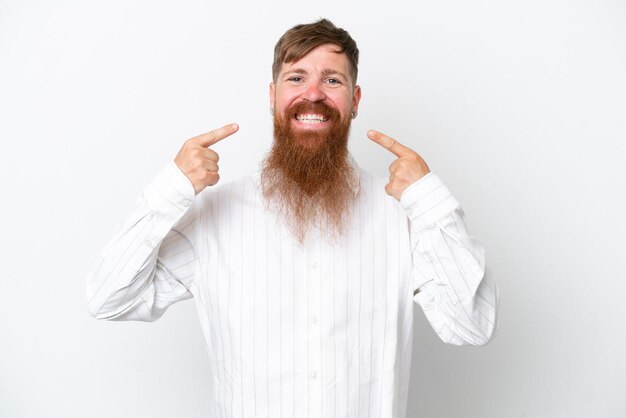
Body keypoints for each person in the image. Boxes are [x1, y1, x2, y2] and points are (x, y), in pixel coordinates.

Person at [86, 18, 498, 418]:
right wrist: (171, 188)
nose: (313, 94)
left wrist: (428, 200)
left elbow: (472, 326)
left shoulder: (404, 215)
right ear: (272, 96)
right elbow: (108, 300)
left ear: (354, 101)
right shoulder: (214, 214)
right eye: (296, 78)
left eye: (332, 80)